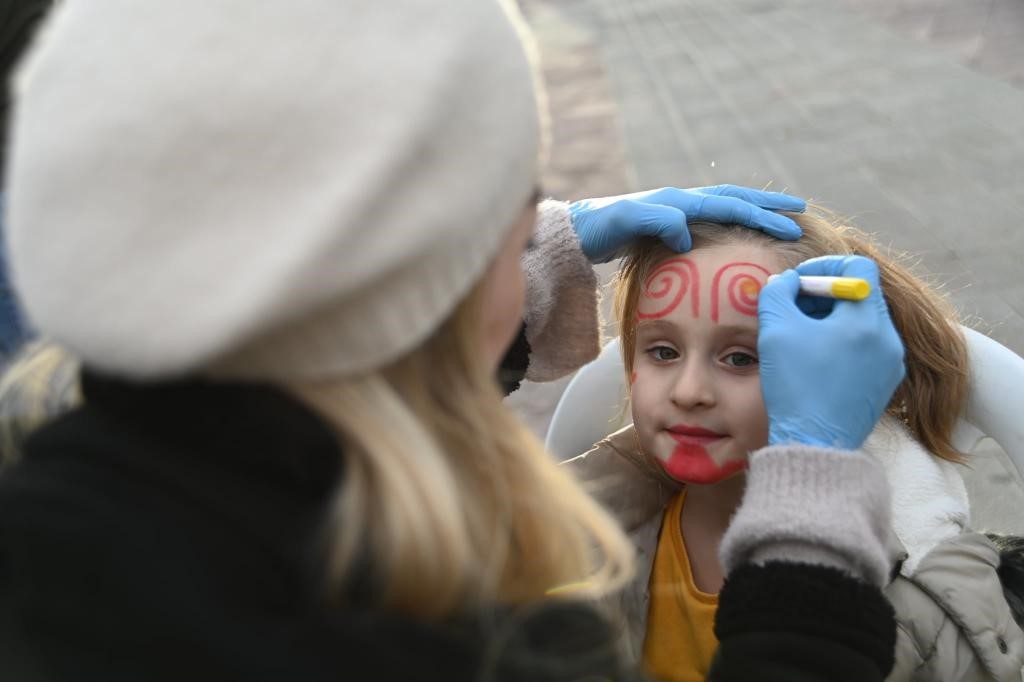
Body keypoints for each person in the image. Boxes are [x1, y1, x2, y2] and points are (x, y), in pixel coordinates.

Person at [0, 1, 903, 680]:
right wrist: (814, 498)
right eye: (518, 225)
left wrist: (515, 253)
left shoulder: (60, 512)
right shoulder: (479, 647)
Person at [566, 207, 1024, 680]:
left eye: (742, 357)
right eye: (663, 352)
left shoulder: (919, 596)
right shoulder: (583, 522)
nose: (688, 391)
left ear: (839, 374)